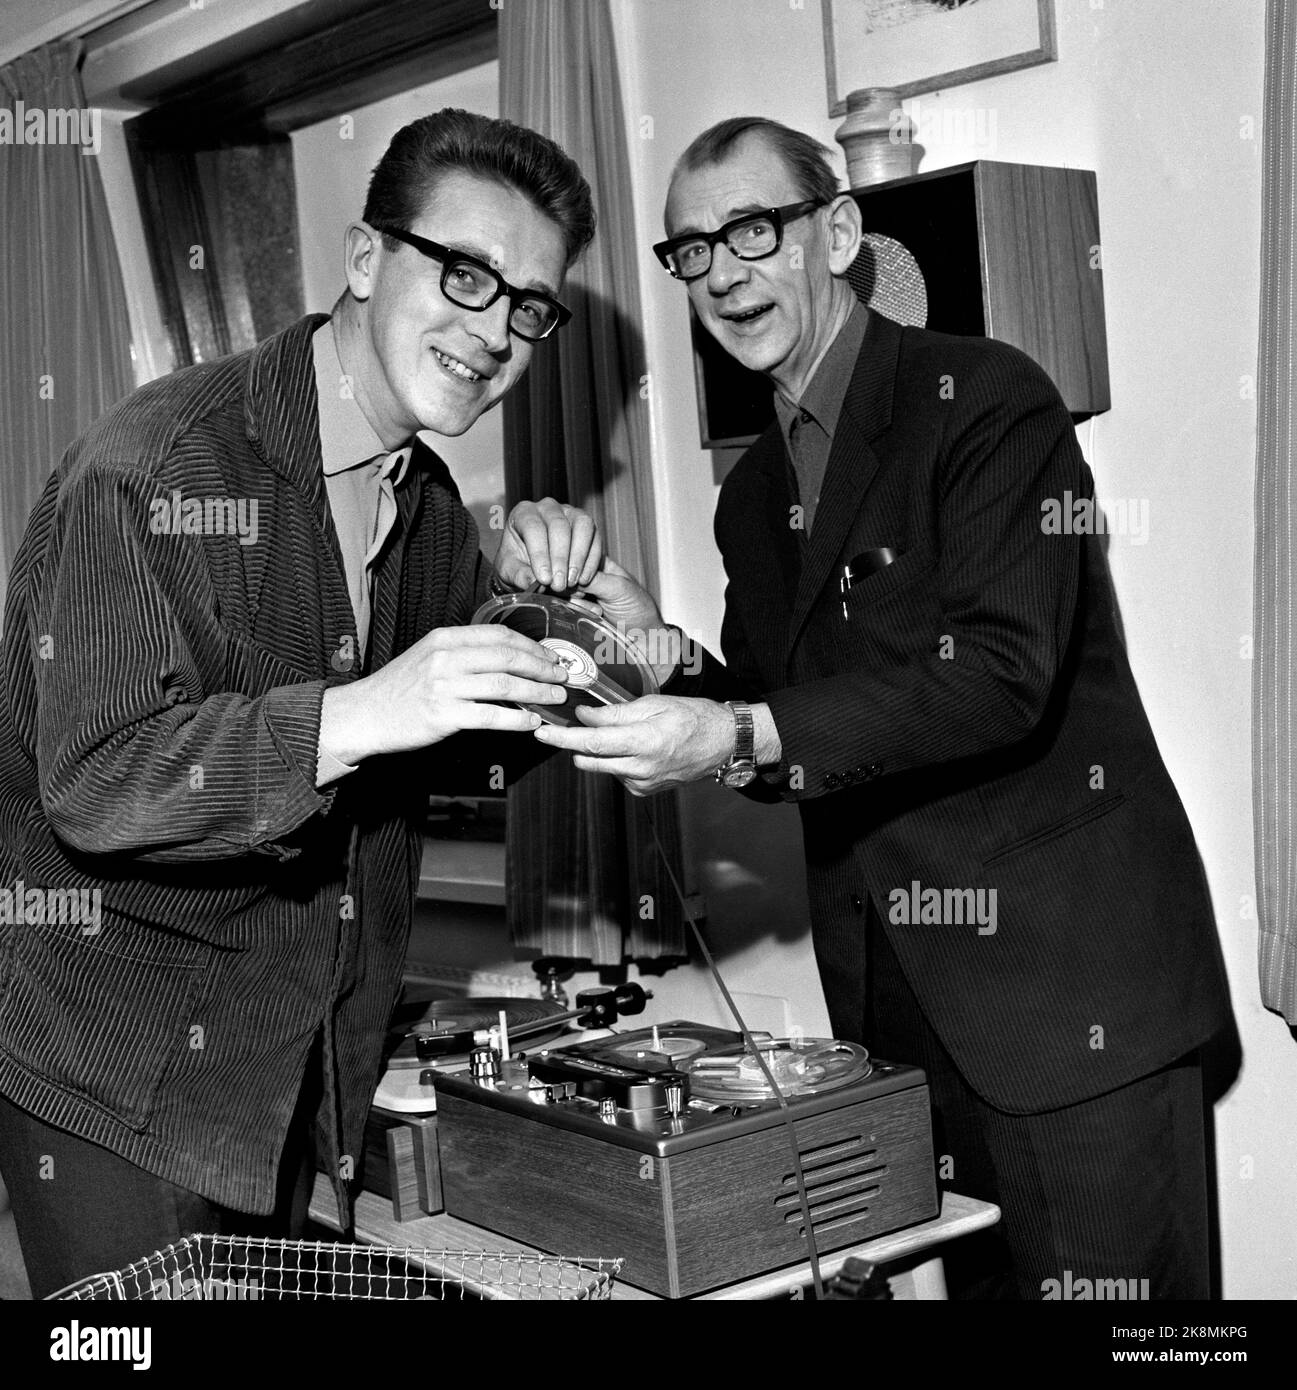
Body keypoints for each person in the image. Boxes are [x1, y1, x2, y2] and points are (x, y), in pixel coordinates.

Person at [541, 116, 1235, 1299]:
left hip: (1073, 1007)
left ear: (840, 230)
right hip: (906, 1016)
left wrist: (744, 731)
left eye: (751, 230)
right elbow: (772, 716)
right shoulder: (753, 495)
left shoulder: (987, 401)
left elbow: (1000, 678)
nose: (721, 273)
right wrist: (642, 637)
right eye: (689, 250)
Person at [0, 107, 603, 1297]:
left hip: (299, 1068)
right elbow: (102, 779)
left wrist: (575, 616)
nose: (494, 334)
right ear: (366, 258)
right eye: (467, 275)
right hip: (112, 1075)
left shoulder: (425, 504)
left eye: (527, 305)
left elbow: (463, 746)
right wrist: (363, 710)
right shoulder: (157, 465)